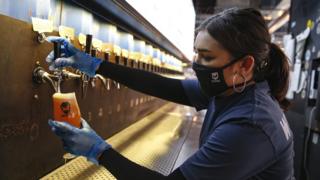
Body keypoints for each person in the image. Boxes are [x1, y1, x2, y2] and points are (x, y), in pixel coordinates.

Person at [47, 8, 295, 180]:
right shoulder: (230, 89)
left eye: (207, 57)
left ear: (245, 65)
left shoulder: (251, 125)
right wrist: (95, 65)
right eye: (197, 54)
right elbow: (168, 87)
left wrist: (99, 151)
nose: (198, 64)